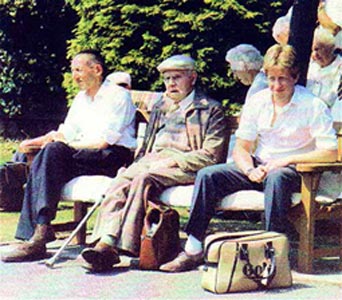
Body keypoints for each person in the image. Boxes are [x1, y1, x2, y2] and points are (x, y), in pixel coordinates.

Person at [160, 44, 338, 272]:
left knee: (277, 177)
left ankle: (270, 254)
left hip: (296, 170)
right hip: (259, 166)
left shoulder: (312, 105)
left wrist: (286, 161)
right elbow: (242, 148)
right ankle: (193, 249)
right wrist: (248, 170)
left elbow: (329, 151)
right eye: (271, 78)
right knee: (208, 175)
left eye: (282, 79)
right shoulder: (258, 101)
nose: (276, 86)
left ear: (296, 76)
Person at [79, 54, 229, 272]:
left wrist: (173, 160)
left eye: (177, 77)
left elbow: (212, 156)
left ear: (193, 77)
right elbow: (147, 147)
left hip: (187, 165)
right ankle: (106, 243)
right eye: (167, 79)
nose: (171, 84)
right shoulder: (161, 106)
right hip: (153, 161)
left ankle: (125, 246)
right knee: (121, 180)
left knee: (144, 178)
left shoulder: (210, 109)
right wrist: (133, 164)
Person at [1, 49, 137, 262]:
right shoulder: (81, 99)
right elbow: (66, 131)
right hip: (82, 155)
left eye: (78, 70)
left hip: (112, 156)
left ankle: (37, 235)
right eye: (73, 70)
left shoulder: (117, 96)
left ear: (97, 69)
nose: (74, 76)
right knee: (47, 152)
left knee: (53, 151)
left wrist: (64, 144)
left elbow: (103, 142)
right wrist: (35, 142)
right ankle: (40, 229)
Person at [224, 44, 268, 160]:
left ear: (244, 67)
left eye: (235, 71)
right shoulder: (260, 81)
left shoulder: (260, 85)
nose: (235, 76)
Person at [307, 27, 342, 108]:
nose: (314, 55)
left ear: (330, 48)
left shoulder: (340, 68)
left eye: (317, 49)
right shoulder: (310, 65)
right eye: (312, 50)